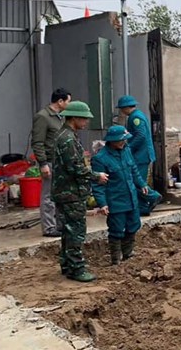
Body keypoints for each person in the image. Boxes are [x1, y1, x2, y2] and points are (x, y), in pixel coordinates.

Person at [52, 101, 108, 282]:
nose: (86, 122)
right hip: (70, 192)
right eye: (84, 119)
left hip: (67, 191)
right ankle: (76, 268)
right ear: (74, 117)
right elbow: (75, 168)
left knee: (68, 230)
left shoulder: (66, 135)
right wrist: (96, 175)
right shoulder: (67, 138)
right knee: (76, 230)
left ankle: (67, 264)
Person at [91, 126, 150, 265]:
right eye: (120, 140)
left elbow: (133, 170)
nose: (123, 142)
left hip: (131, 197)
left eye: (124, 139)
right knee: (116, 229)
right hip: (115, 200)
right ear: (111, 141)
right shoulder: (101, 158)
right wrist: (102, 203)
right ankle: (116, 259)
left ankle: (128, 254)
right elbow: (98, 185)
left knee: (133, 225)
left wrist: (142, 184)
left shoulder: (126, 150)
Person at [31, 88, 71, 236]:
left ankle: (59, 224)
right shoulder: (43, 117)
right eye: (68, 101)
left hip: (60, 162)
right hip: (49, 161)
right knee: (48, 196)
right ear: (60, 101)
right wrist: (42, 163)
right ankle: (49, 228)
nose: (69, 104)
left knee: (60, 194)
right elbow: (37, 142)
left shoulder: (61, 117)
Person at [117, 95, 161, 216]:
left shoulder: (135, 117)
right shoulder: (137, 115)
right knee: (137, 180)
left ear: (126, 108)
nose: (121, 111)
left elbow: (140, 135)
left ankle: (153, 196)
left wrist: (128, 148)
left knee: (136, 181)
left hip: (140, 155)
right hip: (142, 154)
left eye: (121, 108)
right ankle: (142, 207)